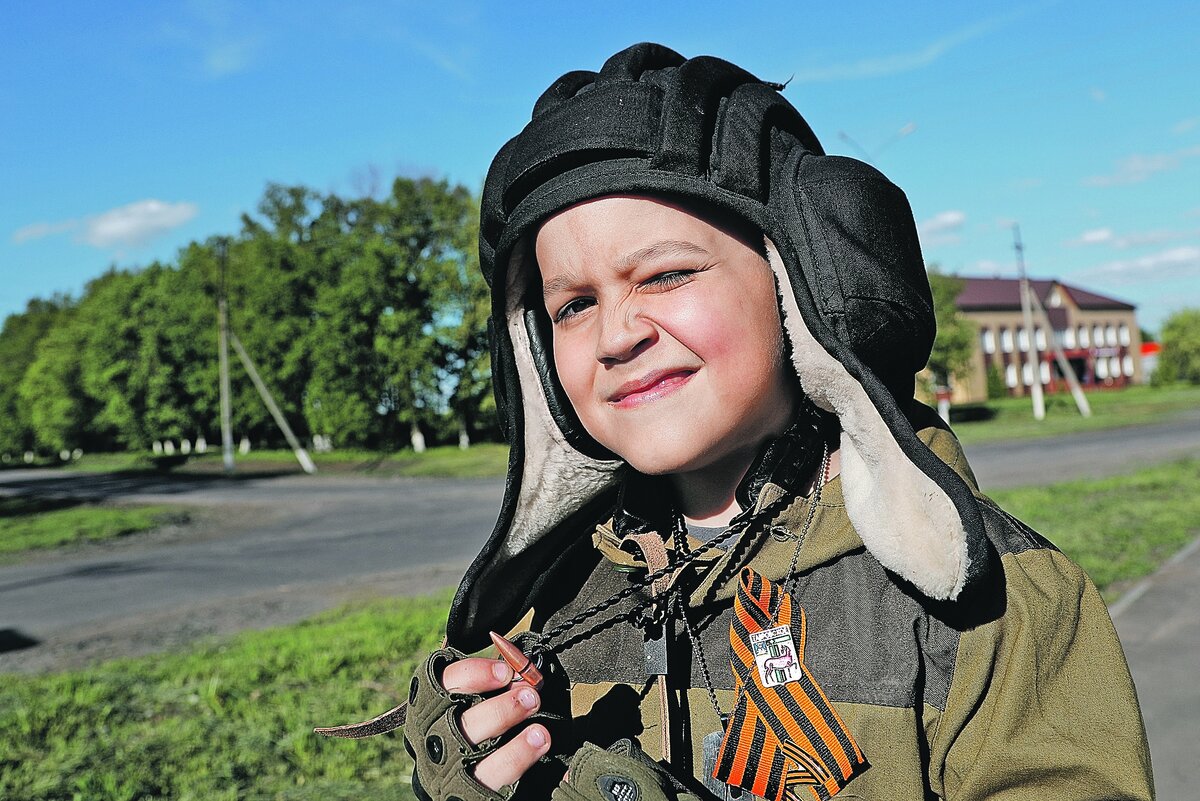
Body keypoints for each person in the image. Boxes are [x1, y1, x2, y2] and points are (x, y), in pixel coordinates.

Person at [320, 43, 1153, 801]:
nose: (617, 334)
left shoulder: (990, 606)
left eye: (667, 274)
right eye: (573, 305)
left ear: (800, 288)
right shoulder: (562, 604)